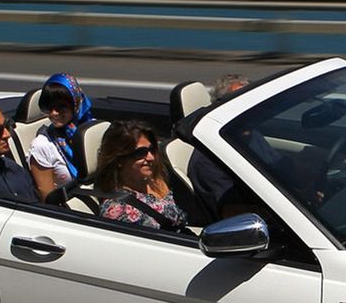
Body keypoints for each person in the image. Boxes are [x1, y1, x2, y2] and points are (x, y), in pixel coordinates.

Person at [96, 120, 187, 231]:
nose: (151, 157)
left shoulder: (155, 178)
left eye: (151, 149)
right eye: (140, 153)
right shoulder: (118, 210)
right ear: (119, 159)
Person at [187, 74, 249, 214]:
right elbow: (233, 213)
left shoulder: (251, 137)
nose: (245, 110)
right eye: (239, 104)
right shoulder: (208, 159)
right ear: (220, 109)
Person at [27, 73, 94, 200]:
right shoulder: (42, 145)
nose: (53, 114)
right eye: (48, 107)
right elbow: (49, 200)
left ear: (76, 104)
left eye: (61, 107)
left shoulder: (89, 131)